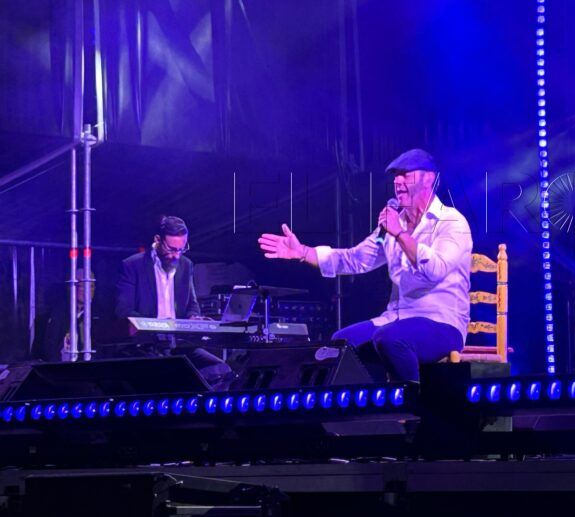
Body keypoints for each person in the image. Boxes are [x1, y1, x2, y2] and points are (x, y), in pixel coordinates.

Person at [258, 149, 473, 382]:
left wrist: (400, 234)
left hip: (442, 323)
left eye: (406, 175)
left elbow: (435, 271)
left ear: (428, 178)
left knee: (390, 339)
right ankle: (371, 400)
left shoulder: (451, 222)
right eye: (396, 176)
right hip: (394, 320)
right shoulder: (392, 226)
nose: (398, 182)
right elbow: (357, 259)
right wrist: (303, 252)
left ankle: (412, 400)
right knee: (340, 345)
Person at [115, 215, 231, 388]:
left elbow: (191, 304)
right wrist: (155, 325)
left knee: (221, 370)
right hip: (147, 344)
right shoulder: (133, 265)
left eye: (181, 249)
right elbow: (123, 310)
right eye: (171, 249)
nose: (176, 256)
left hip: (179, 343)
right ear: (157, 240)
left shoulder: (186, 265)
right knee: (170, 377)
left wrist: (193, 317)